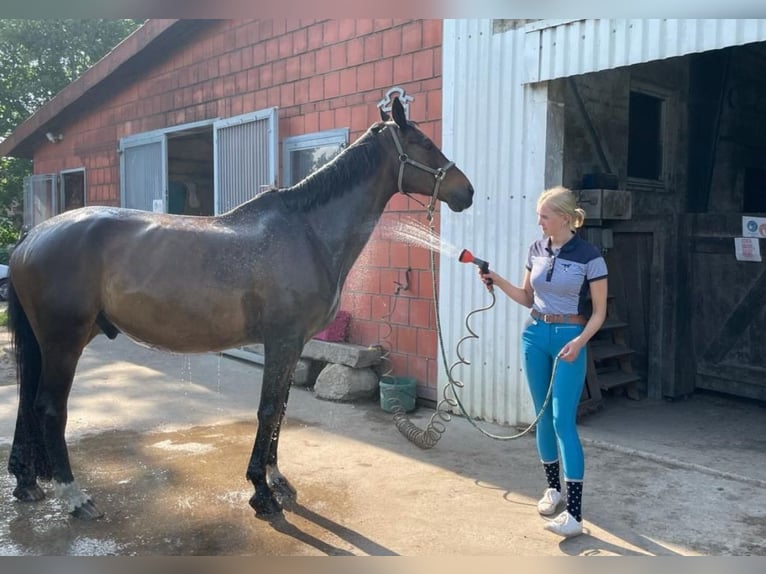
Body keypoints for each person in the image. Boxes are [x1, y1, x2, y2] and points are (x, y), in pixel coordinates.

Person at [478, 186, 608, 538]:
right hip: (534, 336)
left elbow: (599, 313)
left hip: (570, 338)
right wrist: (497, 279)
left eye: (544, 216)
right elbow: (526, 296)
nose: (539, 222)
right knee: (542, 417)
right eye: (539, 216)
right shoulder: (536, 249)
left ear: (565, 217)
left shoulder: (590, 256)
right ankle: (553, 491)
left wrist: (580, 343)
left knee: (563, 420)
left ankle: (576, 516)